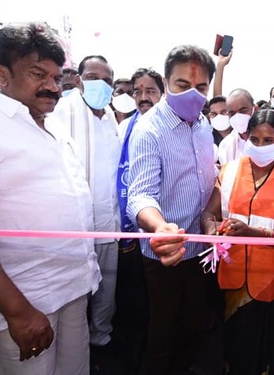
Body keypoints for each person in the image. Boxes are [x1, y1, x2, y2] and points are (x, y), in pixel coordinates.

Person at [0, 23, 99, 375]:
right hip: (26, 303)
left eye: (57, 78)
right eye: (37, 74)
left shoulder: (50, 124)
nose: (52, 86)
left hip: (72, 290)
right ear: (1, 73)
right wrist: (18, 312)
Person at [125, 44, 222, 374]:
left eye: (201, 88)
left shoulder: (204, 125)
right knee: (162, 330)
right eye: (183, 85)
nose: (193, 95)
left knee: (195, 324)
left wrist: (211, 216)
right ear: (166, 82)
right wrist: (160, 227)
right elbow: (139, 196)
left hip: (200, 249)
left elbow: (210, 179)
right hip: (166, 253)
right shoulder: (149, 130)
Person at [201, 109, 274, 374]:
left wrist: (252, 232)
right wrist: (212, 229)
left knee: (263, 347)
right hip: (230, 271)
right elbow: (209, 213)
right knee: (231, 345)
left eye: (268, 140)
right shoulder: (229, 171)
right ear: (246, 138)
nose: (260, 146)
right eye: (255, 139)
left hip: (272, 277)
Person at [49, 55, 121, 370]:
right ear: (78, 80)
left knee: (108, 285)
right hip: (74, 223)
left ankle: (101, 340)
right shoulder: (62, 112)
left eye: (106, 80)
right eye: (93, 76)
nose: (99, 84)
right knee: (77, 290)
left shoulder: (112, 118)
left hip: (109, 220)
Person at [114, 67, 165, 375]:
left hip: (163, 235)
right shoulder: (123, 129)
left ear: (162, 94)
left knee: (158, 312)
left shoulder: (170, 128)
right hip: (128, 234)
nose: (143, 98)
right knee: (131, 305)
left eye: (150, 91)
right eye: (138, 92)